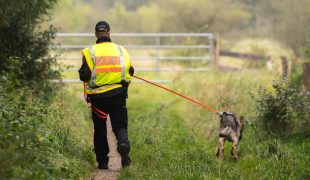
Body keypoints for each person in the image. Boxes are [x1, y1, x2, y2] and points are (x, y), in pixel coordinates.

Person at [78, 21, 134, 169]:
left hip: (98, 98)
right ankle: (123, 144)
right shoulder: (121, 50)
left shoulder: (89, 52)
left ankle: (103, 162)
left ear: (96, 34)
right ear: (109, 32)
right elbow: (130, 70)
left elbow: (85, 75)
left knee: (100, 129)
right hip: (118, 95)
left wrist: (82, 73)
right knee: (119, 124)